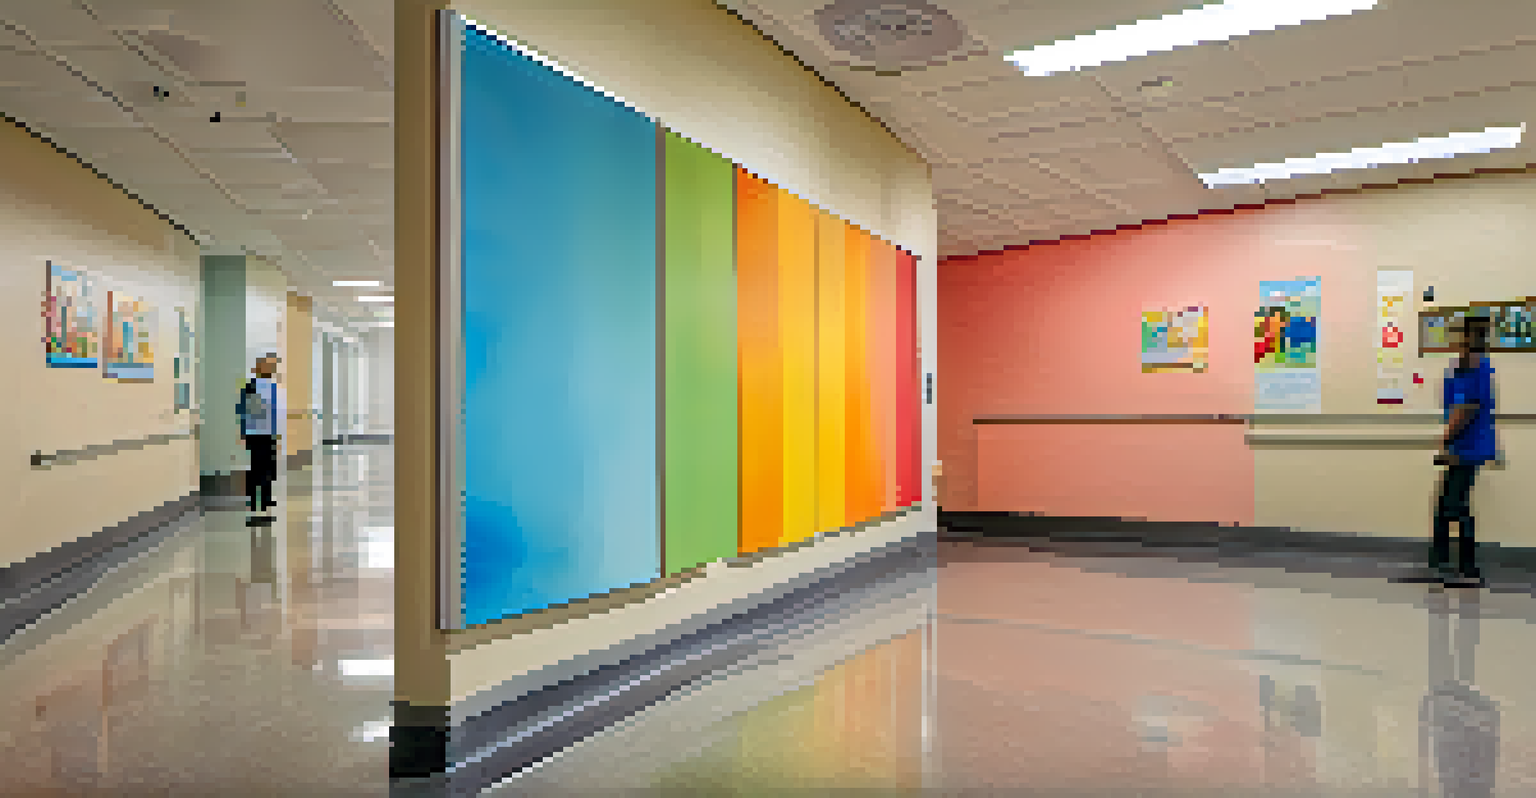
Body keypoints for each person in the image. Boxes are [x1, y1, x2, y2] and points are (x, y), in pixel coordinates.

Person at [1433, 315, 1497, 583]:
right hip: (1459, 445)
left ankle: (1466, 569)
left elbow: (1467, 409)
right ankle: (1442, 565)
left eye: (1461, 335)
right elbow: (1453, 405)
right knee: (1446, 506)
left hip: (1469, 446)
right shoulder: (1458, 368)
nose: (1456, 340)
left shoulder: (1479, 369)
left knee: (1453, 506)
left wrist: (1446, 437)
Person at [238, 353, 284, 516]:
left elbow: (275, 411)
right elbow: (244, 410)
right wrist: (244, 431)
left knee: (268, 467)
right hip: (256, 433)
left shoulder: (272, 387)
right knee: (258, 468)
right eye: (269, 365)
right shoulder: (252, 387)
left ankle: (265, 498)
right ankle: (256, 502)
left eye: (273, 365)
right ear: (258, 368)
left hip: (267, 433)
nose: (272, 368)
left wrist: (277, 432)